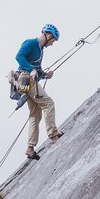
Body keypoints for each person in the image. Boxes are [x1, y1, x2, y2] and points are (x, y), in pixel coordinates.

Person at [16, 23, 63, 160]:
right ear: (48, 36)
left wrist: (45, 74)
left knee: (35, 115)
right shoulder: (30, 43)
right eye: (53, 40)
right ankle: (53, 135)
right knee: (48, 103)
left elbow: (37, 69)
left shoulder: (40, 50)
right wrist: (31, 69)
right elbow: (19, 57)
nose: (52, 44)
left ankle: (30, 148)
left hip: (30, 81)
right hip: (25, 79)